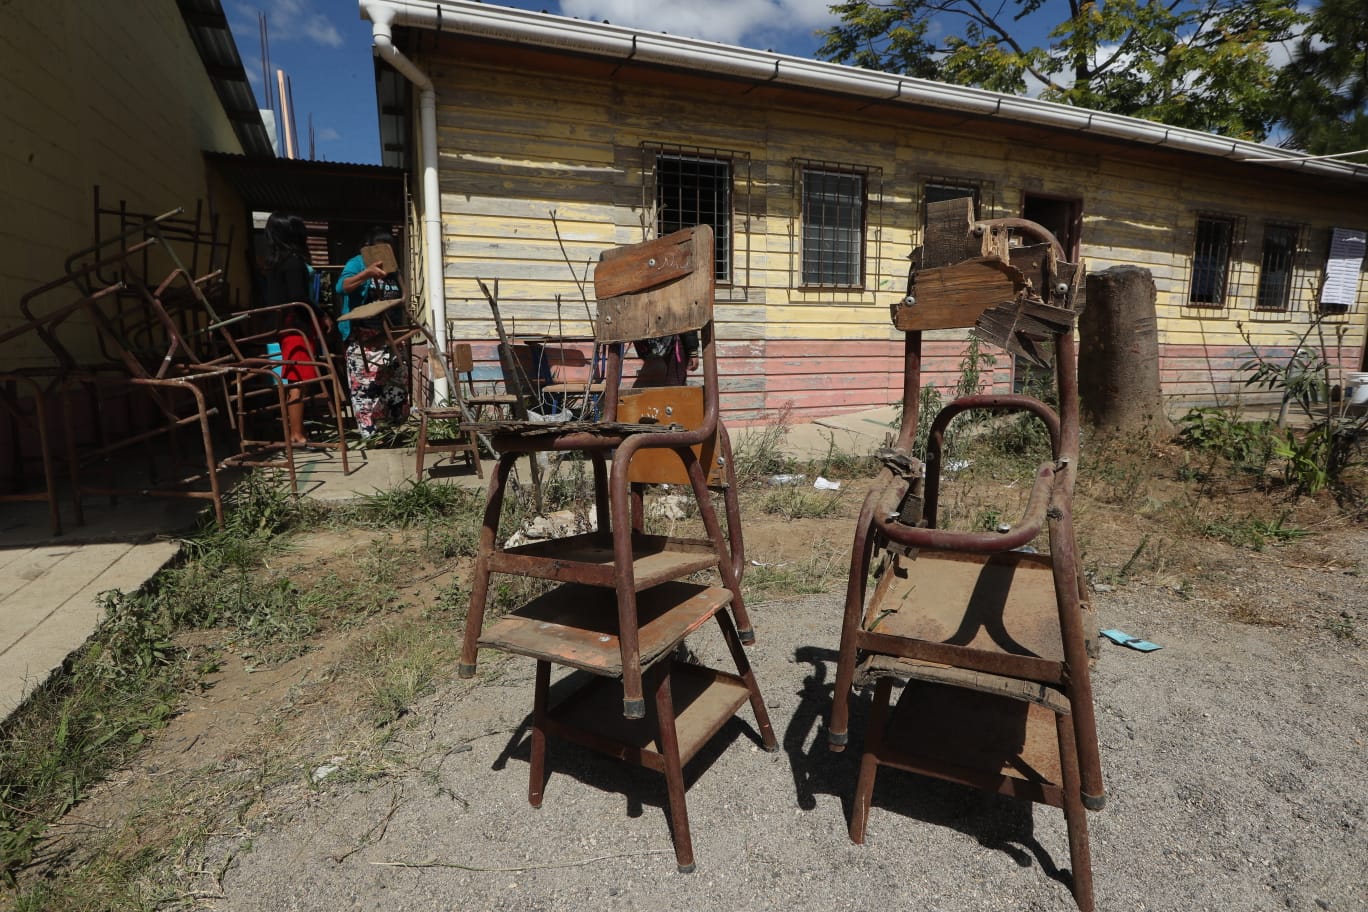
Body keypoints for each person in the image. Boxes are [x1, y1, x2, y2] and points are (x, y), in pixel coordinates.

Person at [262, 212, 327, 446]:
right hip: (296, 327)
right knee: (299, 380)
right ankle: (297, 435)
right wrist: (322, 315)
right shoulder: (292, 262)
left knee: (297, 380)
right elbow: (299, 297)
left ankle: (296, 432)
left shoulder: (276, 263)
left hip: (286, 326)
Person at [337, 229, 408, 438]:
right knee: (366, 387)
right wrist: (367, 273)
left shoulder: (392, 269)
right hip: (363, 337)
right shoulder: (357, 263)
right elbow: (342, 287)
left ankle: (394, 433)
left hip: (389, 335)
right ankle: (371, 435)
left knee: (395, 384)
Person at [632, 331, 699, 387]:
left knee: (674, 387)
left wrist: (693, 351)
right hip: (651, 344)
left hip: (673, 345)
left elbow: (686, 320)